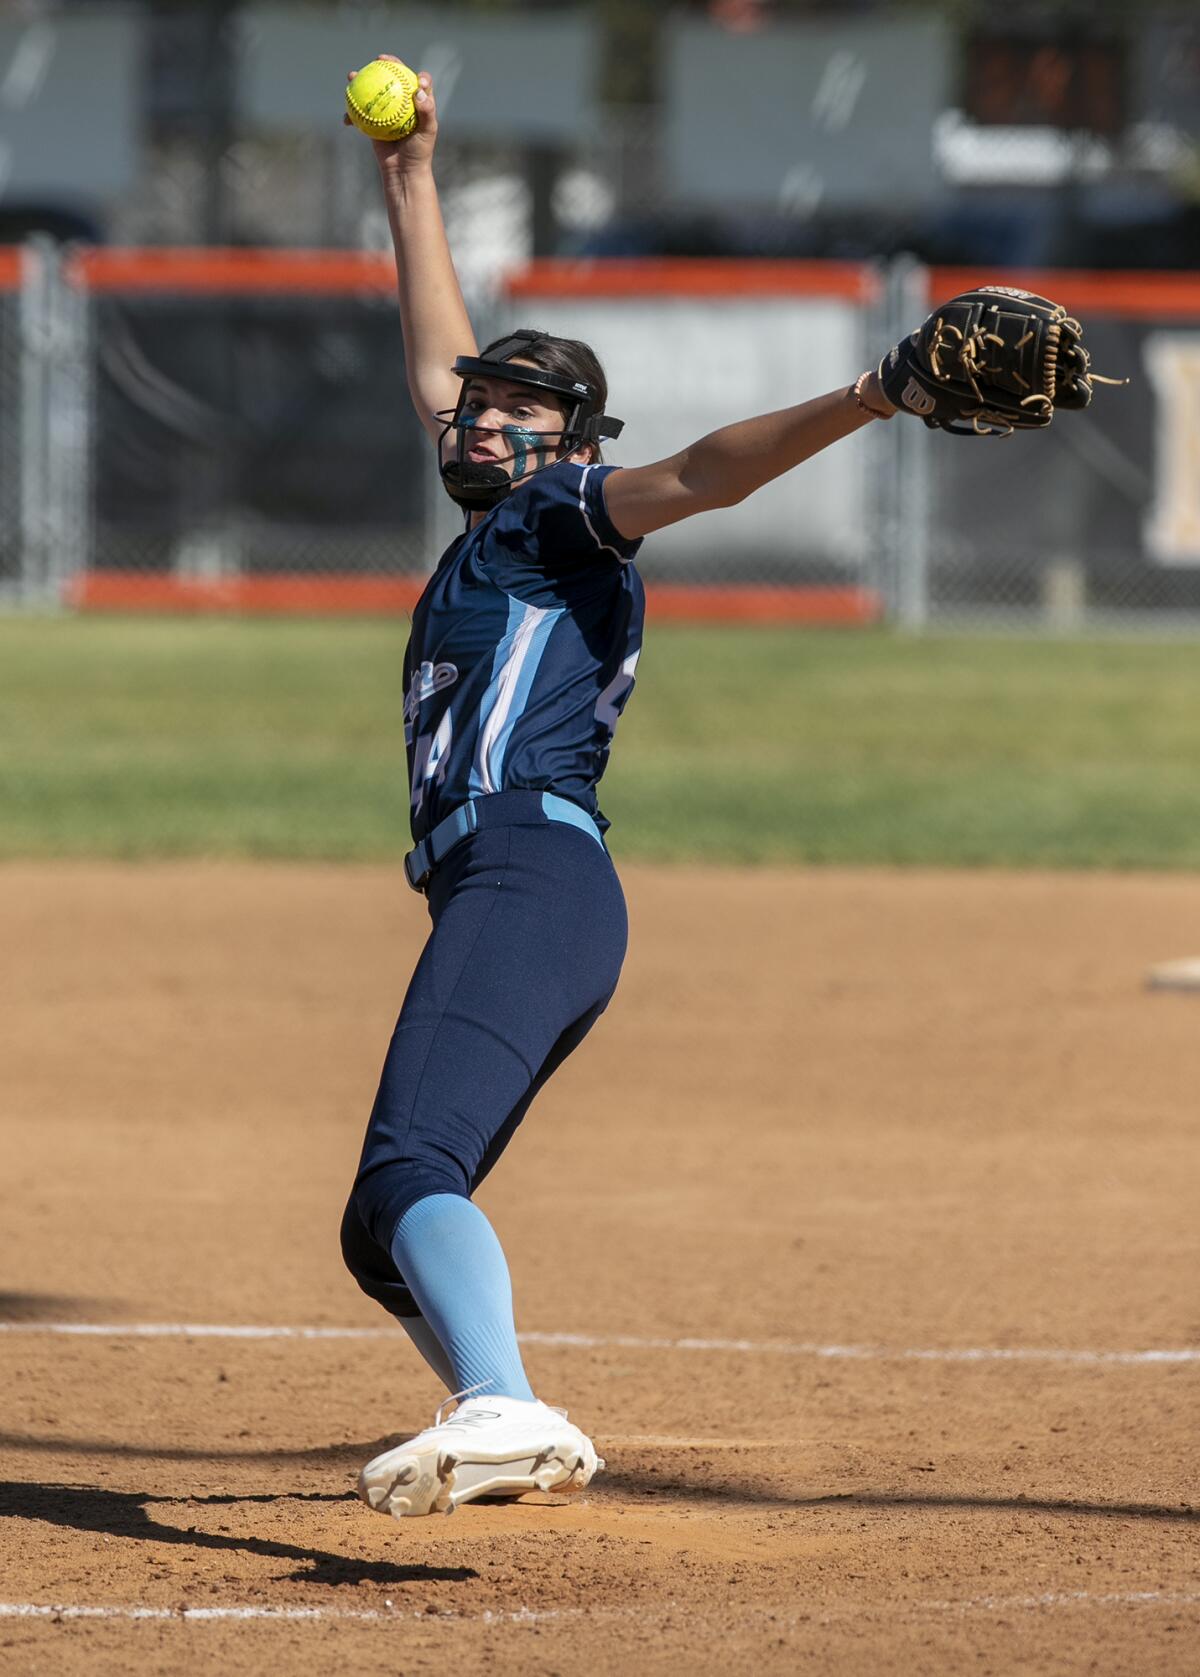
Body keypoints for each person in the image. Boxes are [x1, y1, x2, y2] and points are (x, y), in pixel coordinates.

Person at [339, 59, 898, 1522]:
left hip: (532, 872)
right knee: (375, 1228)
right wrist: (409, 177)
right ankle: (501, 1396)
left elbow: (706, 475)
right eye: (480, 407)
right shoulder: (504, 516)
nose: (482, 421)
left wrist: (872, 391)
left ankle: (504, 1401)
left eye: (521, 411)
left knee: (412, 1166)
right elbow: (435, 363)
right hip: (518, 887)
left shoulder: (563, 517)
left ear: (577, 446)